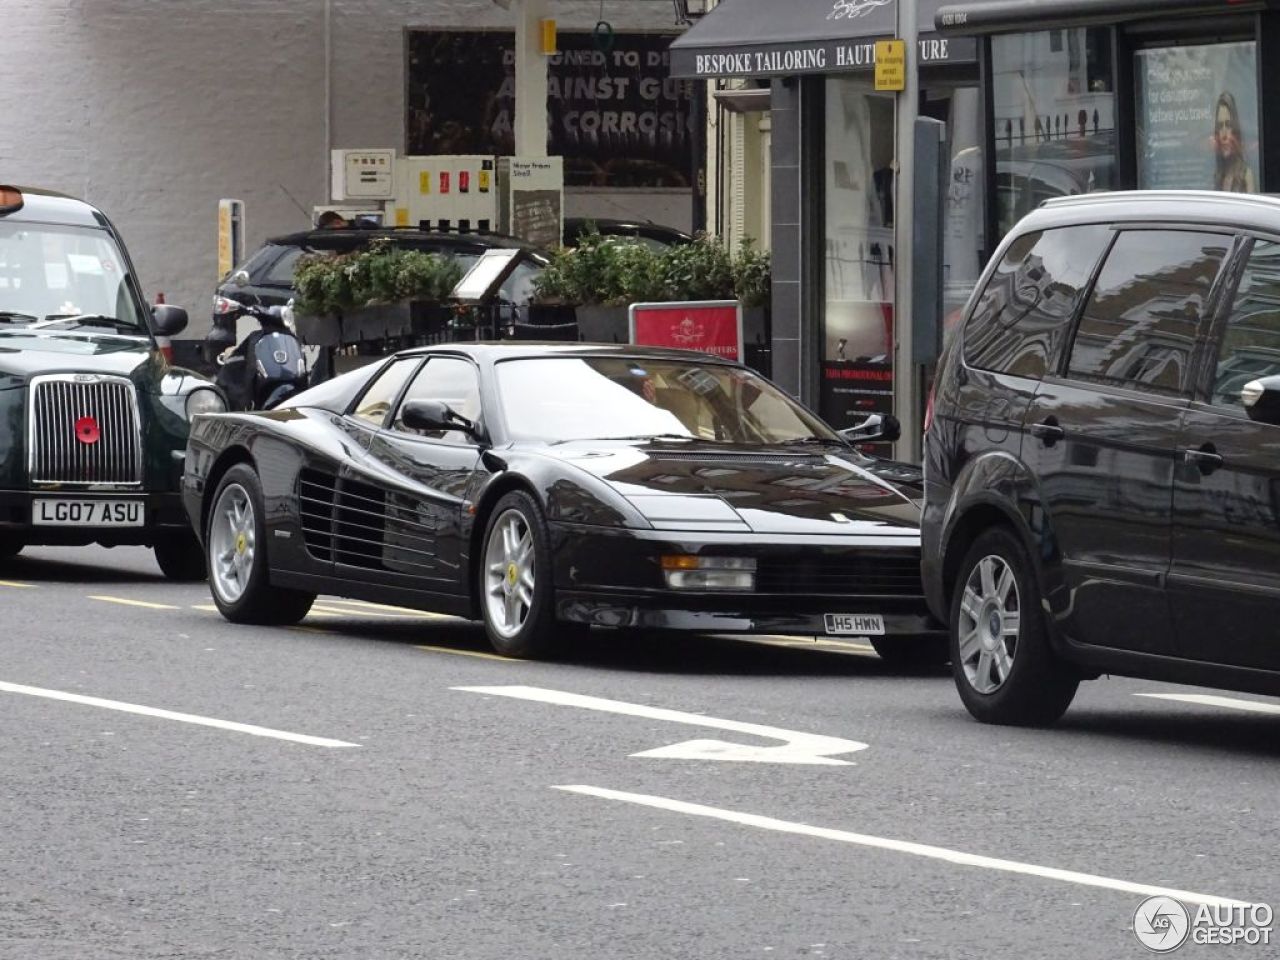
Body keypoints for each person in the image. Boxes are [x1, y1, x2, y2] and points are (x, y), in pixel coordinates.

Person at [1213, 91, 1257, 194]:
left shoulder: (1246, 176)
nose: (1224, 135)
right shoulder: (1218, 176)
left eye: (1228, 125)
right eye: (1220, 126)